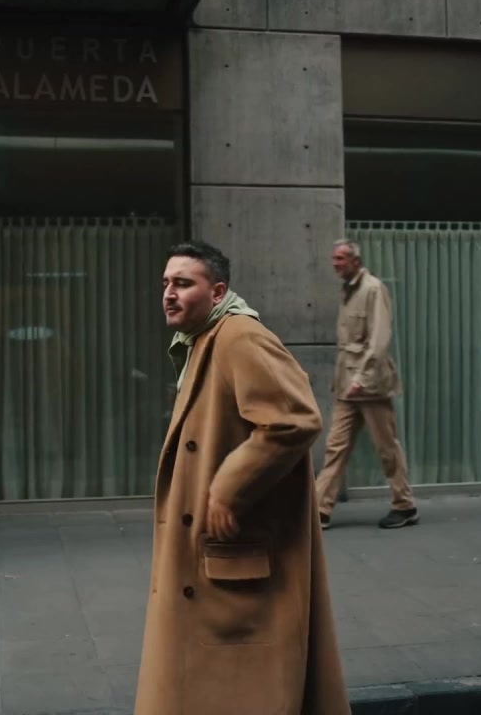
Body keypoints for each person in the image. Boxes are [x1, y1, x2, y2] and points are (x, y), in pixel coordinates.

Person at [134, 241, 350, 715]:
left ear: (217, 292)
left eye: (183, 283)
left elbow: (294, 419)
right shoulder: (205, 339)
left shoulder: (238, 336)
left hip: (234, 552)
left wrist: (229, 486)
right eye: (165, 283)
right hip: (217, 549)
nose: (168, 293)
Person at [313, 238, 419, 530]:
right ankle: (319, 509)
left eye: (340, 259)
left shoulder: (373, 289)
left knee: (386, 448)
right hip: (346, 386)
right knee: (335, 448)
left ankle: (404, 505)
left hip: (370, 386)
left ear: (355, 261)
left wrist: (362, 378)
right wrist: (347, 381)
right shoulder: (348, 290)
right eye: (334, 259)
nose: (335, 264)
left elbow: (379, 339)